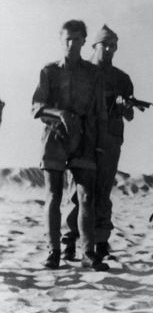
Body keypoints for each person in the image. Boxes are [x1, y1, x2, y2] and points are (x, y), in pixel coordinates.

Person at [31, 19, 109, 271]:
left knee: (86, 196)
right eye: (67, 39)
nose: (71, 44)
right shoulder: (49, 71)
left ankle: (88, 253)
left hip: (84, 137)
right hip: (55, 136)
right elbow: (37, 107)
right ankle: (54, 251)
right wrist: (60, 114)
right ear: (61, 39)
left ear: (85, 41)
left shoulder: (93, 74)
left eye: (77, 39)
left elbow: (99, 113)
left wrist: (99, 144)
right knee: (54, 194)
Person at [63, 25, 134, 262]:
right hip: (83, 138)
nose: (109, 49)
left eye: (113, 45)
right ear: (93, 46)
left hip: (110, 139)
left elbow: (130, 114)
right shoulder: (81, 72)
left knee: (103, 190)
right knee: (78, 192)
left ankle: (101, 240)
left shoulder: (122, 79)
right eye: (105, 44)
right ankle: (70, 241)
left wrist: (124, 105)